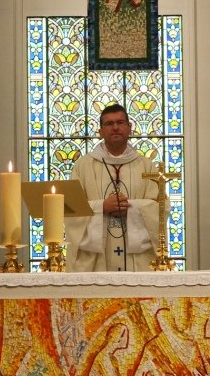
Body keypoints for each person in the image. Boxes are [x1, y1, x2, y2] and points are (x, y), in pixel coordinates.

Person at [65, 103, 159, 272]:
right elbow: (72, 211)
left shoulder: (147, 166)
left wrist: (130, 208)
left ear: (129, 128)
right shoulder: (83, 166)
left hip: (137, 261)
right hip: (95, 262)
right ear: (100, 131)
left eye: (121, 122)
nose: (115, 128)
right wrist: (102, 207)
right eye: (109, 124)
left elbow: (160, 208)